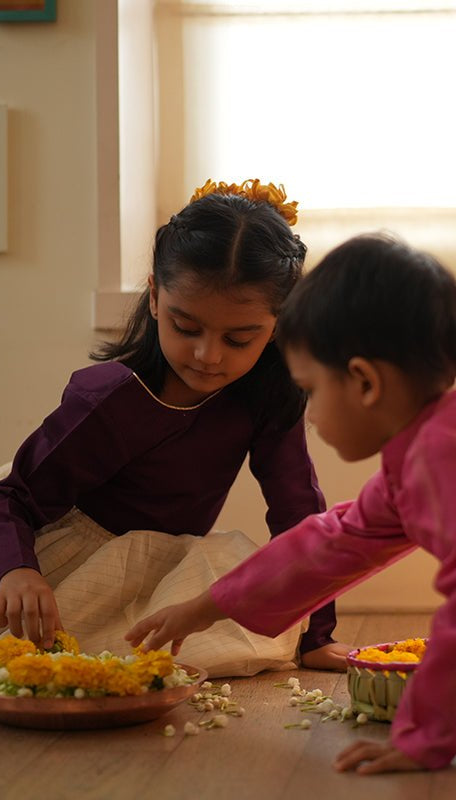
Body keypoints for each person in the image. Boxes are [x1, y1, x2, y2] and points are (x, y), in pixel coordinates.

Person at [125, 232, 456, 773]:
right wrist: (205, 608)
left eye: (311, 389)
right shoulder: (429, 455)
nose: (310, 415)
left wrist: (422, 738)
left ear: (364, 382)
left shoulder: (451, 466)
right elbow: (328, 545)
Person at [0, 178, 351, 672]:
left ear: (278, 325)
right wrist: (17, 570)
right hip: (66, 562)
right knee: (47, 653)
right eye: (186, 328)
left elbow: (299, 515)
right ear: (155, 299)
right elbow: (11, 497)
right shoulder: (109, 398)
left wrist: (317, 636)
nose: (208, 356)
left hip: (166, 572)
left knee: (243, 590)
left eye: (239, 339)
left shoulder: (268, 398)